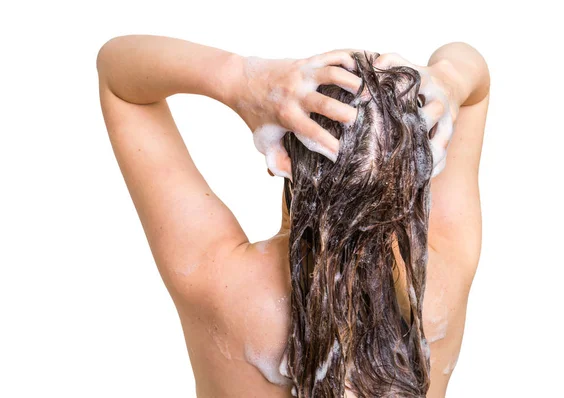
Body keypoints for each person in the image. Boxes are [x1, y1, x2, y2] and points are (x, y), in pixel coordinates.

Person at [97, 35, 490, 397]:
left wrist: (240, 78)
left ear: (279, 160)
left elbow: (119, 78)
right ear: (421, 169)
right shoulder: (446, 276)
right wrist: (449, 80)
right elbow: (474, 81)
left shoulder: (217, 281)